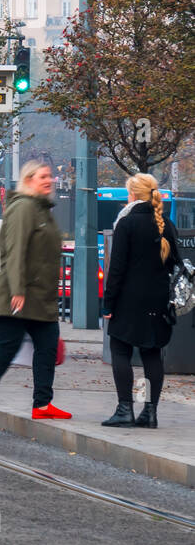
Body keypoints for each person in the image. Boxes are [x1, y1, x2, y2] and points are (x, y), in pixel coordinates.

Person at [0, 161, 70, 439]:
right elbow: (15, 250)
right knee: (6, 350)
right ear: (29, 180)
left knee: (48, 347)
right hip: (16, 294)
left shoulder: (42, 211)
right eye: (43, 177)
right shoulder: (24, 208)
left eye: (51, 176)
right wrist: (17, 290)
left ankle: (43, 403)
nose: (49, 180)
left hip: (39, 298)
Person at [100, 173, 181, 429]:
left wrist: (108, 304)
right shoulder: (166, 224)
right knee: (152, 352)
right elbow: (175, 264)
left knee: (121, 349)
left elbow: (117, 269)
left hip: (129, 299)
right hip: (158, 299)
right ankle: (150, 411)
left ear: (132, 196)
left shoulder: (127, 224)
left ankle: (125, 409)